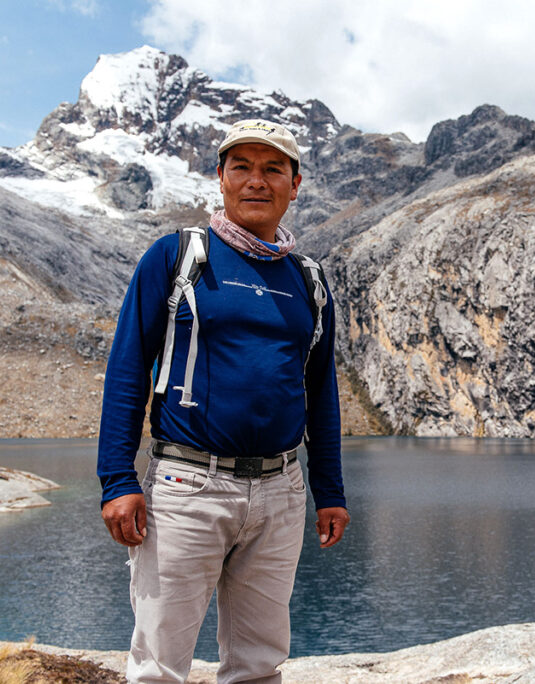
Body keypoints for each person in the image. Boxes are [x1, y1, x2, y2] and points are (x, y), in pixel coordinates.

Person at [97, 119, 349, 684]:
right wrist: (117, 480)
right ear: (221, 177)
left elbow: (320, 392)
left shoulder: (309, 280)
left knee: (259, 664)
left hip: (281, 491)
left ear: (294, 185)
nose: (256, 181)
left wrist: (329, 491)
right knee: (159, 667)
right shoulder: (177, 256)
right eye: (242, 167)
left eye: (273, 169)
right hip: (187, 486)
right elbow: (128, 370)